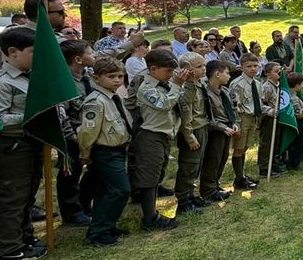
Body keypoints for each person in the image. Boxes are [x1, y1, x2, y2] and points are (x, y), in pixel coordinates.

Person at [0, 26, 47, 260]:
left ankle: (25, 238)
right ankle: (8, 249)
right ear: (12, 52)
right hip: (9, 146)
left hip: (28, 142)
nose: (38, 57)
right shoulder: (0, 83)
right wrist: (33, 115)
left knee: (27, 195)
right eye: (33, 52)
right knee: (13, 197)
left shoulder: (29, 76)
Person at [78, 57, 133, 247]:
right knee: (120, 189)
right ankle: (97, 233)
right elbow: (87, 131)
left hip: (118, 150)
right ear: (96, 78)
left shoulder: (112, 97)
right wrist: (85, 153)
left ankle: (106, 226)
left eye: (120, 76)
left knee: (106, 191)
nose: (117, 80)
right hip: (105, 152)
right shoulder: (95, 102)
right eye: (111, 76)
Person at [131, 49, 187, 231]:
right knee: (149, 177)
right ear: (153, 69)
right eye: (167, 71)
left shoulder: (166, 83)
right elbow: (164, 104)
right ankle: (149, 218)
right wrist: (177, 85)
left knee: (158, 174)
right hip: (150, 135)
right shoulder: (146, 89)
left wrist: (180, 83)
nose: (171, 75)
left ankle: (152, 213)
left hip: (164, 135)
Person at [56, 39, 95, 228]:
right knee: (70, 175)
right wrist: (73, 138)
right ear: (79, 59)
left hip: (90, 133)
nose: (94, 54)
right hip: (73, 136)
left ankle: (85, 204)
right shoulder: (63, 82)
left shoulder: (88, 77)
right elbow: (61, 114)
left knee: (95, 171)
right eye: (90, 52)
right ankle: (71, 212)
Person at [174, 52, 209, 217]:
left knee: (197, 165)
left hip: (202, 126)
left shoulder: (199, 83)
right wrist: (189, 136)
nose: (204, 68)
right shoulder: (185, 88)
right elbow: (185, 114)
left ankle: (191, 195)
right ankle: (183, 201)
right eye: (199, 66)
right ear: (187, 69)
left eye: (204, 65)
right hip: (193, 130)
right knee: (188, 166)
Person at [198, 60, 238, 203]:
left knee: (222, 158)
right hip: (216, 131)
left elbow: (230, 110)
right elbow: (208, 117)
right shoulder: (206, 93)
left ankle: (215, 185)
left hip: (227, 129)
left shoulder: (224, 91)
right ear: (217, 74)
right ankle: (208, 191)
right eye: (227, 73)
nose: (229, 76)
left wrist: (233, 123)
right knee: (212, 160)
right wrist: (223, 128)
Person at [228, 54, 264, 190]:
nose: (253, 69)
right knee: (238, 148)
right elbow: (234, 106)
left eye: (255, 66)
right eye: (249, 66)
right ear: (242, 67)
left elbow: (258, 102)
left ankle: (242, 175)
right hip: (242, 118)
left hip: (253, 117)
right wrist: (236, 123)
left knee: (245, 147)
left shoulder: (257, 83)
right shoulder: (237, 84)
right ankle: (239, 179)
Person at [256, 61, 284, 177]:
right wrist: (270, 111)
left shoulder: (280, 85)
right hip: (269, 118)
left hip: (278, 117)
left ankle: (274, 164)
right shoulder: (266, 87)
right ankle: (264, 168)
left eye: (281, 71)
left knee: (276, 142)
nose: (280, 74)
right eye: (277, 72)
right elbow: (261, 104)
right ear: (268, 74)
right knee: (267, 143)